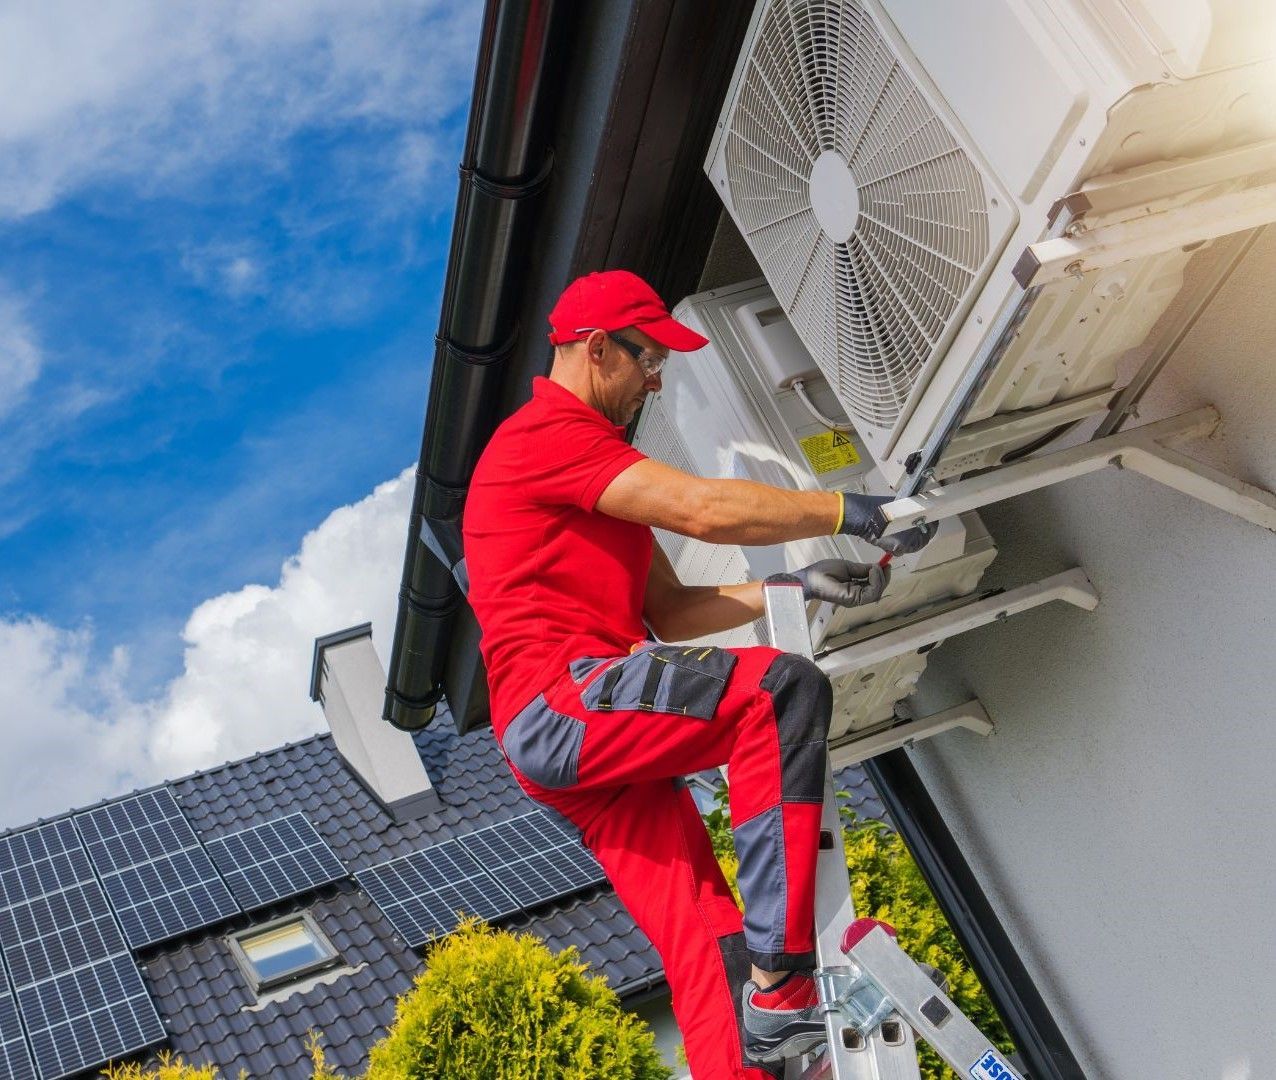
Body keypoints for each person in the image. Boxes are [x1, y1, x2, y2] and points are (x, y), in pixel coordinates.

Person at [463, 270, 934, 1079]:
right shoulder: (548, 435)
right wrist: (849, 511)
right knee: (778, 693)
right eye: (648, 359)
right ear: (597, 347)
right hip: (565, 702)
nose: (656, 379)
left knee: (707, 936)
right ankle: (780, 992)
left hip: (570, 738)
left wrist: (792, 584)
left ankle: (747, 1049)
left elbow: (673, 612)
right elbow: (702, 511)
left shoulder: (594, 471)